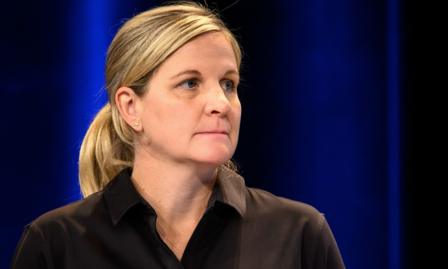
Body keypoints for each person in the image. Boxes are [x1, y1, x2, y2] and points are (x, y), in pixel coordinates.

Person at [11, 2, 345, 269]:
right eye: (190, 83)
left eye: (228, 84)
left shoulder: (298, 233)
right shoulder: (57, 244)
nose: (220, 104)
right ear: (130, 108)